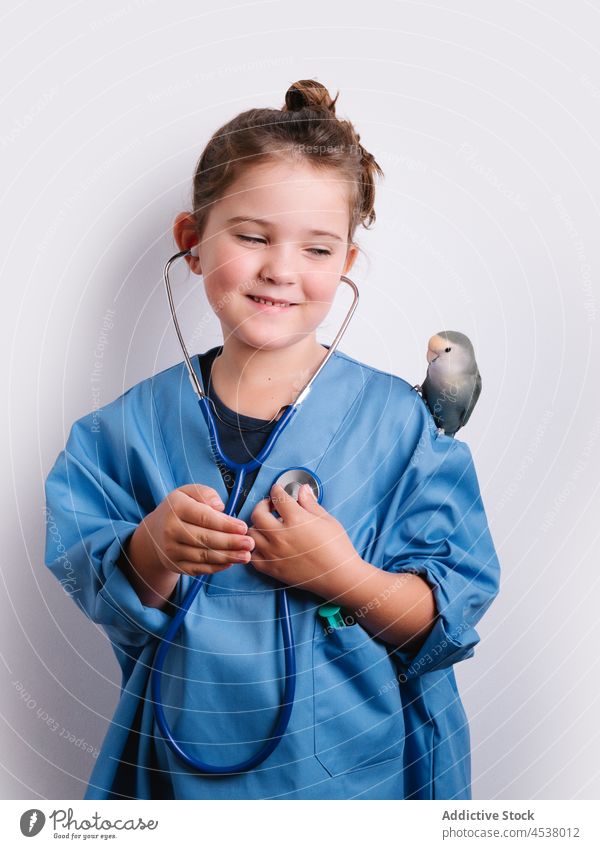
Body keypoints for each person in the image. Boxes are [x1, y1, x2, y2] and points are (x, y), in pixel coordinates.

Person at [44, 79, 501, 800]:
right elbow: (101, 588)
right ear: (192, 244)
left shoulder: (401, 425)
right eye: (253, 236)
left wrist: (343, 576)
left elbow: (446, 614)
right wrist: (151, 549)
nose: (281, 269)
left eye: (316, 248)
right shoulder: (125, 431)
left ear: (345, 264)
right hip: (181, 780)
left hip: (359, 784)